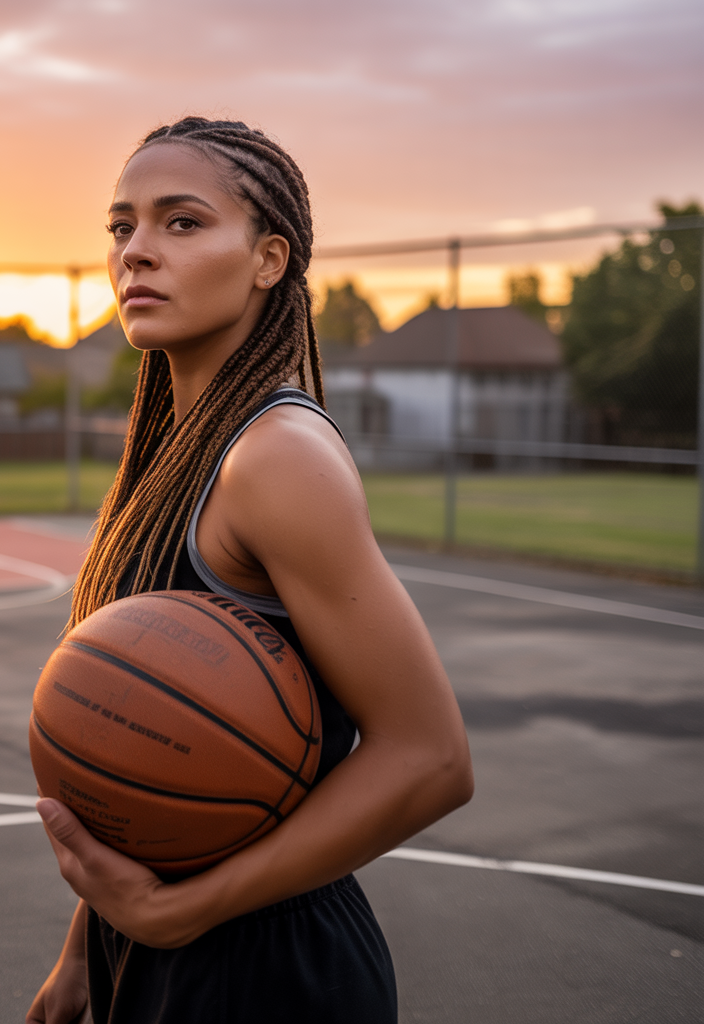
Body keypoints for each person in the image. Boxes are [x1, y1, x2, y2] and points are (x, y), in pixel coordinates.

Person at [27, 117, 473, 1024]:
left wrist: (180, 911)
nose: (137, 252)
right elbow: (148, 756)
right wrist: (86, 948)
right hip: (155, 946)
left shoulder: (274, 457)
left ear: (269, 260)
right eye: (122, 227)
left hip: (262, 967)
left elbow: (430, 758)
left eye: (181, 223)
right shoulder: (175, 450)